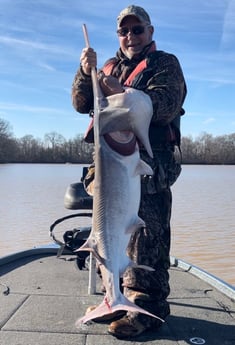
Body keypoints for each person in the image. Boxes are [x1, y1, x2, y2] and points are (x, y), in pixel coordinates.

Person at [71, 4, 187, 339]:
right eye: (124, 31)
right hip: (107, 165)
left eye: (138, 30)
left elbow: (163, 106)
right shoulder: (108, 65)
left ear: (150, 32)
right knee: (105, 235)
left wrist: (118, 92)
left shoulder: (165, 64)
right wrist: (84, 71)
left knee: (146, 238)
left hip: (150, 167)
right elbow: (81, 103)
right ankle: (113, 298)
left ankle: (148, 309)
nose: (130, 36)